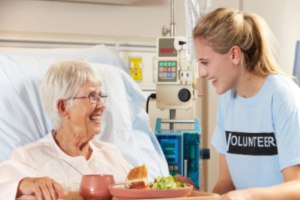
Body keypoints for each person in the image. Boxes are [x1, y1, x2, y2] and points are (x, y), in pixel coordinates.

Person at [193, 7, 300, 200]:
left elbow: (297, 186)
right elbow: (226, 182)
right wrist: (194, 195)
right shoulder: (226, 99)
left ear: (234, 55)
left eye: (205, 62)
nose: (201, 73)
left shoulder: (282, 95)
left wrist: (248, 196)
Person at [0, 60, 132, 199]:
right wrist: (21, 185)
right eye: (92, 97)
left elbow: (145, 189)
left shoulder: (111, 154)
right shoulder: (28, 158)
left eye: (101, 96)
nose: (101, 106)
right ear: (63, 107)